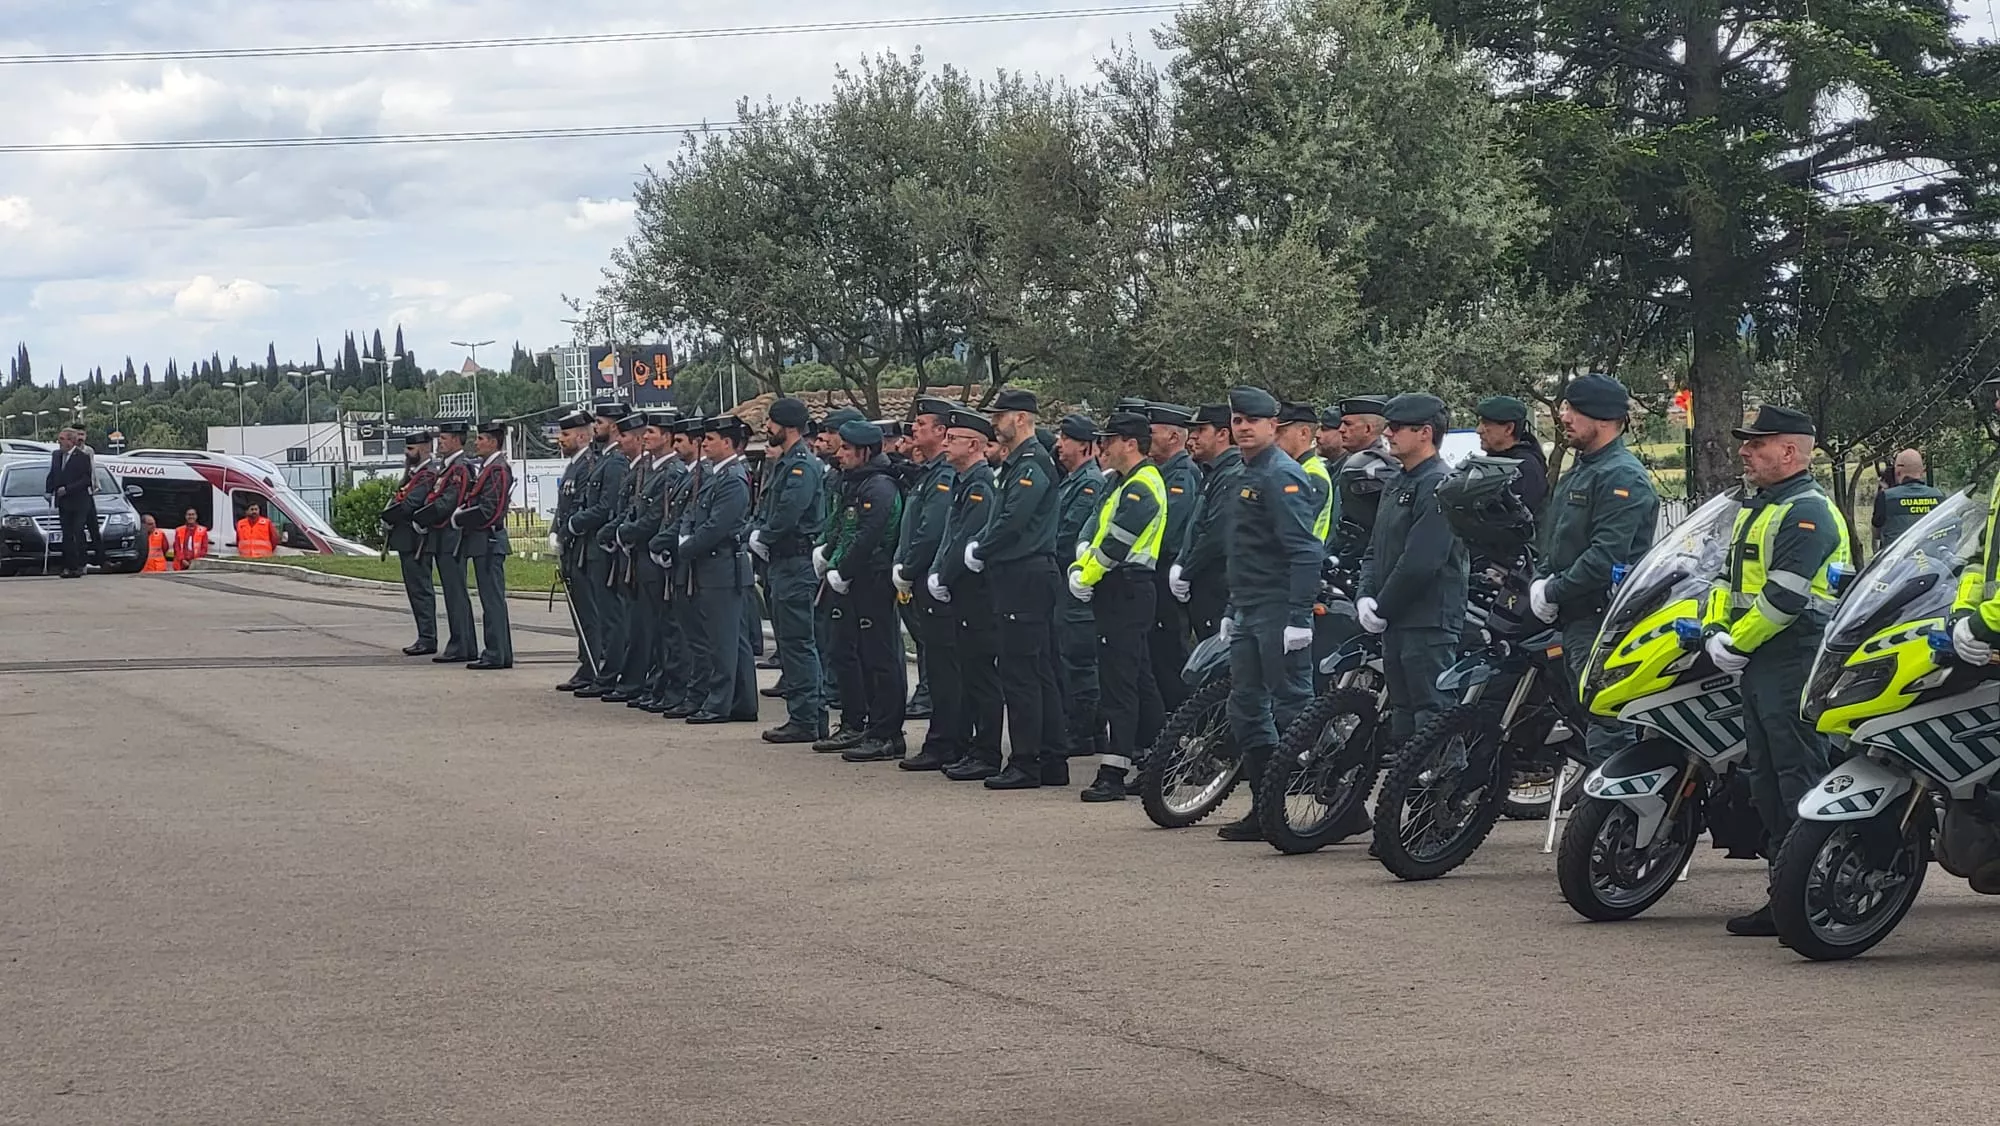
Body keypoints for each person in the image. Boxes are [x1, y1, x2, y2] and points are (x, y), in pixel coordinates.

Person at [1701, 405, 1850, 938]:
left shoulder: (1807, 511)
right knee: (1766, 779)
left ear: (1789, 452)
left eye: (1757, 444)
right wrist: (1716, 629)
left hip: (1795, 655)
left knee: (1797, 777)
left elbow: (1785, 598)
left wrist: (1735, 642)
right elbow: (1725, 577)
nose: (1745, 450)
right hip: (1761, 658)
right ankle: (1784, 894)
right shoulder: (1760, 507)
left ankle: (1814, 897)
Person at [1211, 388, 1325, 839]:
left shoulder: (1282, 475)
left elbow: (1304, 550)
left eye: (1251, 421)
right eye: (1237, 420)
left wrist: (1298, 615)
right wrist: (1231, 605)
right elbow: (1242, 551)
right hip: (1248, 606)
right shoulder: (1245, 470)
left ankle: (1338, 800)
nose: (1242, 428)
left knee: (1296, 708)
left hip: (1278, 607)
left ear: (1272, 427)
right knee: (1246, 707)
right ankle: (1265, 806)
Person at [1526, 374, 1657, 764]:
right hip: (1577, 618)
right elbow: (1557, 541)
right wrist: (1543, 580)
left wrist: (1553, 591)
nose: (1563, 416)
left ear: (1601, 418)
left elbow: (1606, 558)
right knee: (1590, 719)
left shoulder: (1621, 476)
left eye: (1573, 409)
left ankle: (1613, 817)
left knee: (1608, 726)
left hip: (1601, 619)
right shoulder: (1582, 470)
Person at [1355, 394, 1470, 751]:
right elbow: (1375, 549)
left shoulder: (1440, 485)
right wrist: (1364, 597)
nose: (1387, 433)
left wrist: (1383, 607)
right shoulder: (1398, 481)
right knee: (1403, 716)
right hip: (1397, 620)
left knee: (1432, 715)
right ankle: (1408, 795)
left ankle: (1441, 800)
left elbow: (1421, 561)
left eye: (1397, 427)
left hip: (1428, 620)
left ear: (1424, 432)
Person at [967, 388, 1066, 789]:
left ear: (1022, 418)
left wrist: (982, 548)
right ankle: (1051, 757)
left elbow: (1013, 519)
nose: (995, 423)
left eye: (1001, 415)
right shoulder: (1021, 462)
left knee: (1020, 670)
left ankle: (1028, 760)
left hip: (1024, 572)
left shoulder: (1030, 463)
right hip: (1022, 572)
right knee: (1036, 667)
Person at [1076, 410, 1169, 803]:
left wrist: (1085, 575)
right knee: (1139, 679)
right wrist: (1085, 559)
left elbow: (1116, 542)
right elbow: (1096, 528)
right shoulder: (1123, 482)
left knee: (1120, 684)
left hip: (1126, 588)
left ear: (1130, 444)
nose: (1103, 448)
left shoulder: (1140, 486)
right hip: (1123, 589)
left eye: (1109, 441)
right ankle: (1157, 759)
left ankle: (1114, 771)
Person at [821, 419, 909, 763]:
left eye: (846, 449)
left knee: (881, 658)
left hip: (873, 579)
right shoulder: (855, 481)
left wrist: (842, 569)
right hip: (854, 578)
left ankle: (887, 733)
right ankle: (865, 725)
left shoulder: (879, 486)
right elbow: (842, 526)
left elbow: (868, 535)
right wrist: (828, 556)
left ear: (866, 451)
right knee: (853, 653)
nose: (839, 454)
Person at [927, 409, 1005, 782]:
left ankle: (987, 751)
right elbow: (951, 536)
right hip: (961, 589)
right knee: (970, 672)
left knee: (981, 676)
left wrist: (945, 573)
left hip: (977, 592)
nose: (945, 444)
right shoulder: (964, 481)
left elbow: (968, 539)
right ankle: (974, 746)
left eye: (952, 438)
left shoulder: (980, 485)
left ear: (973, 444)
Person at [888, 397, 961, 768]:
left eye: (921, 424)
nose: (913, 429)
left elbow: (931, 531)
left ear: (941, 432)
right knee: (936, 662)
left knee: (943, 668)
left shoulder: (944, 475)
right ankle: (943, 739)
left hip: (931, 581)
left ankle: (944, 742)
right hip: (919, 579)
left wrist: (910, 566)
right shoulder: (930, 473)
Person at [752, 397, 830, 744]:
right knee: (790, 640)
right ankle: (805, 715)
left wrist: (764, 535)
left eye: (771, 423)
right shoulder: (787, 463)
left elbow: (789, 510)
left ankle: (808, 717)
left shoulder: (801, 466)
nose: (767, 429)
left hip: (795, 562)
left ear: (788, 427)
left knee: (798, 642)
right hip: (782, 562)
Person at [680, 414, 760, 723]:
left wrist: (685, 547)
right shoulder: (715, 475)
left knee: (723, 641)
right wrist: (685, 535)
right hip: (712, 565)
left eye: (711, 439)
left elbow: (717, 526)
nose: (705, 444)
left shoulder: (733, 478)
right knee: (731, 641)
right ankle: (742, 703)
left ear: (727, 443)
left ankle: (718, 704)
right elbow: (693, 513)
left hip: (723, 566)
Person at [1052, 413, 1105, 766]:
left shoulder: (1089, 484)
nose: (1059, 444)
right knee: (1067, 657)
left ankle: (1084, 730)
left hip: (1075, 583)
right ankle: (1082, 726)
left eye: (1066, 439)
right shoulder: (1071, 481)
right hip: (1061, 584)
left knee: (1079, 660)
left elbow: (1068, 535)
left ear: (1084, 445)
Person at [612, 412, 676, 701]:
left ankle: (659, 685)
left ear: (667, 437)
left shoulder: (670, 472)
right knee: (644, 624)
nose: (647, 436)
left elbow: (654, 519)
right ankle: (650, 683)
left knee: (660, 628)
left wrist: (626, 532)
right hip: (639, 555)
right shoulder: (650, 469)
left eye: (652, 432)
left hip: (654, 556)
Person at [570, 403, 631, 698]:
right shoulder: (603, 459)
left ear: (616, 427)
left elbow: (607, 507)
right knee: (604, 613)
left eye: (601, 422)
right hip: (594, 546)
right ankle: (602, 671)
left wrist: (575, 522)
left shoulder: (616, 461)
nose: (595, 427)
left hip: (605, 547)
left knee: (611, 616)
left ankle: (610, 672)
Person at [596, 411, 657, 702]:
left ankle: (636, 681)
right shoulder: (635, 468)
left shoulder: (645, 470)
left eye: (624, 437)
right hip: (625, 552)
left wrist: (617, 531)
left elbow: (636, 514)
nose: (619, 442)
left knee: (641, 623)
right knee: (634, 620)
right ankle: (633, 680)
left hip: (638, 554)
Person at [1172, 403, 1243, 642]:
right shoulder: (1214, 471)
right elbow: (1196, 525)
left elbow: (1216, 534)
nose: (1192, 437)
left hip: (1217, 582)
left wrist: (1186, 571)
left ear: (1223, 434)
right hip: (1205, 581)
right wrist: (1182, 563)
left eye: (1201, 430)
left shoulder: (1231, 473)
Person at [1147, 402, 1201, 712]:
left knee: (1170, 651)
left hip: (1168, 570)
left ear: (1172, 436)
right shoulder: (1160, 472)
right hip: (1156, 571)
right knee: (1156, 651)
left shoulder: (1183, 475)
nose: (1147, 438)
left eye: (1153, 433)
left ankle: (1178, 722)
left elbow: (1168, 528)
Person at [413, 420, 477, 663]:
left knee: (455, 593)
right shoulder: (447, 468)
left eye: (446, 438)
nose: (441, 442)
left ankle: (461, 644)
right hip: (442, 538)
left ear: (458, 440)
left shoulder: (459, 468)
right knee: (452, 593)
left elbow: (448, 502)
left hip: (451, 538)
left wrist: (421, 517)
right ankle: (461, 643)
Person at [455, 420, 515, 670]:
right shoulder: (488, 468)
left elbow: (490, 510)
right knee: (490, 600)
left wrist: (460, 517)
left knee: (492, 601)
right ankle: (498, 652)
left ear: (492, 441)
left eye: (480, 439)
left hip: (489, 540)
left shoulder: (498, 469)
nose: (476, 443)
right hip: (483, 542)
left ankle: (496, 653)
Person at [550, 412, 599, 690]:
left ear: (582, 436)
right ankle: (586, 663)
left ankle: (593, 664)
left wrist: (566, 530)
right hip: (570, 547)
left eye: (566, 435)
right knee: (580, 611)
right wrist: (555, 531)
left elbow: (582, 506)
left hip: (581, 546)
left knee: (589, 612)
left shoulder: (588, 465)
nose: (561, 440)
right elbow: (563, 506)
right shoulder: (572, 466)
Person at [382, 429, 441, 656]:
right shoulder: (413, 474)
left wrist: (388, 515)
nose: (408, 454)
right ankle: (423, 635)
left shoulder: (426, 475)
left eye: (412, 449)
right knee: (414, 590)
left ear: (425, 448)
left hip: (417, 541)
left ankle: (428, 637)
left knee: (420, 590)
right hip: (407, 540)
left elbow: (411, 504)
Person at [1474, 395, 1550, 517]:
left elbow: (1518, 524)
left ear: (1509, 429)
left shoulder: (1525, 467)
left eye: (1486, 423)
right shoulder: (1497, 460)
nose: (1478, 430)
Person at [45, 427, 94, 578]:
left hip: (79, 502)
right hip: (63, 502)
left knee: (77, 532)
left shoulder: (82, 457)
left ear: (71, 441)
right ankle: (68, 566)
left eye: (62, 439)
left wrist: (68, 489)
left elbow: (86, 480)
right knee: (66, 534)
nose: (59, 442)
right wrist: (48, 490)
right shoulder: (57, 455)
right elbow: (53, 473)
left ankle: (80, 563)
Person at [1872, 448, 1944, 552]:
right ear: (1922, 471)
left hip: (1897, 564)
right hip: (1931, 561)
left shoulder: (1886, 497)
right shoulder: (1939, 496)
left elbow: (1876, 534)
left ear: (1898, 472)